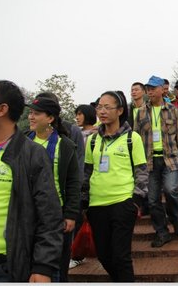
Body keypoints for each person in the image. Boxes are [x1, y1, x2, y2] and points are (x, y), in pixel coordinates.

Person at [0, 80, 63, 282]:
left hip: (5, 267)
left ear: (2, 109)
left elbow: (49, 216)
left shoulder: (32, 154)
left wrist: (43, 266)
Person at [81, 90, 148, 282]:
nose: (101, 111)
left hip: (122, 202)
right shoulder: (92, 140)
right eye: (99, 107)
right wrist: (84, 201)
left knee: (121, 256)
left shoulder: (131, 138)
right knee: (103, 255)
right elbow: (87, 172)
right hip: (96, 206)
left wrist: (135, 202)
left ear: (119, 111)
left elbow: (141, 171)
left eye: (107, 107)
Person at [26, 97, 81, 282]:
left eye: (36, 113)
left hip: (56, 216)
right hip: (28, 214)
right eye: (30, 113)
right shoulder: (23, 143)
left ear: (50, 118)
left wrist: (71, 214)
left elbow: (73, 181)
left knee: (56, 268)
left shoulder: (64, 145)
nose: (31, 117)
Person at [135, 76, 178, 247]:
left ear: (161, 90)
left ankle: (175, 218)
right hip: (150, 161)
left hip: (170, 158)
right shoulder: (141, 112)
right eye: (147, 88)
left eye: (152, 88)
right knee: (152, 199)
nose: (149, 91)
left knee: (171, 189)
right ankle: (162, 231)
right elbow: (136, 138)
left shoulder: (172, 110)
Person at [70, 103, 97, 270]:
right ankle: (77, 253)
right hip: (78, 181)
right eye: (76, 114)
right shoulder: (75, 134)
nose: (77, 117)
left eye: (80, 114)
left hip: (91, 180)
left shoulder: (95, 134)